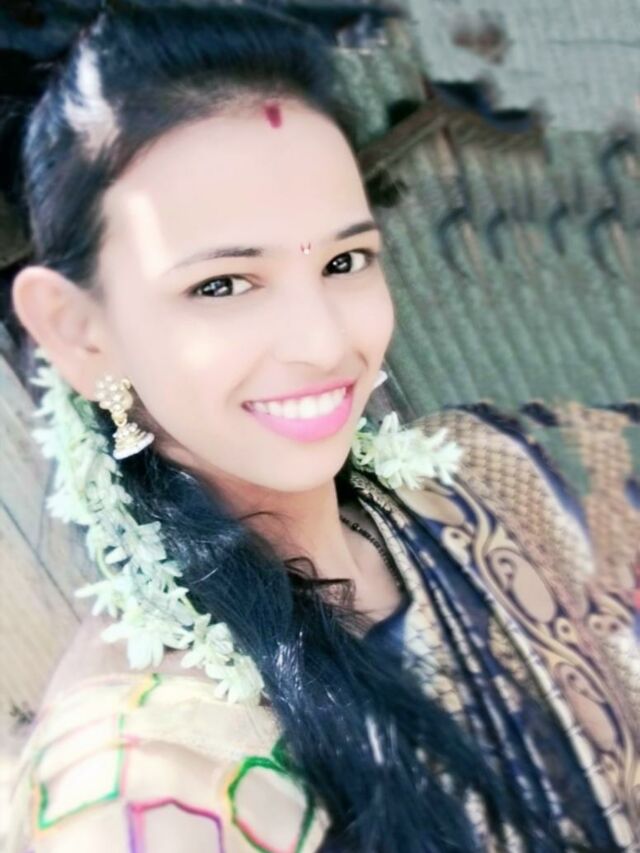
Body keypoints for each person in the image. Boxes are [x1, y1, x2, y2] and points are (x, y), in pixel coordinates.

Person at [4, 3, 639, 851]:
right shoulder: (138, 781)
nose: (324, 341)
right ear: (80, 333)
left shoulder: (484, 478)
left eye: (345, 261)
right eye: (223, 284)